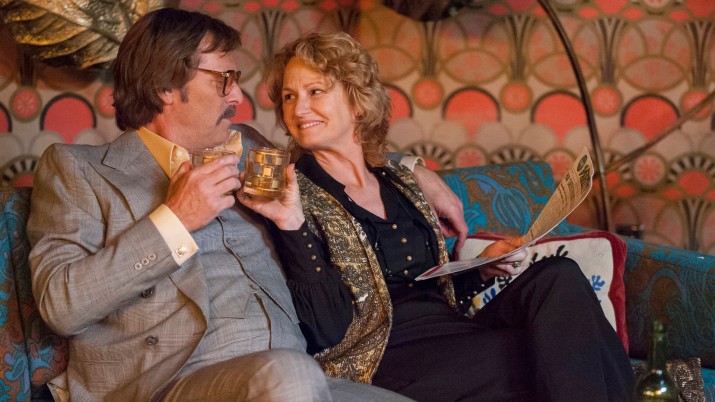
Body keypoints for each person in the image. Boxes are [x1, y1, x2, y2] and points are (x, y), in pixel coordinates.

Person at [26, 8, 464, 402]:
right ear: (165, 86)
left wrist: (409, 169)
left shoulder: (250, 146)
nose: (238, 97)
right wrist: (176, 220)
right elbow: (62, 305)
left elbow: (333, 149)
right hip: (172, 382)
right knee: (288, 374)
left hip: (305, 379)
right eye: (224, 79)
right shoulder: (79, 169)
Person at [239, 31, 636, 402]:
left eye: (315, 91)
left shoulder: (399, 180)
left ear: (357, 101)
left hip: (454, 330)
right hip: (384, 358)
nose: (298, 108)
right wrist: (291, 225)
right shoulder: (294, 192)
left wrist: (481, 270)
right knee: (556, 350)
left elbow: (430, 289)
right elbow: (326, 331)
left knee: (558, 276)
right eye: (288, 97)